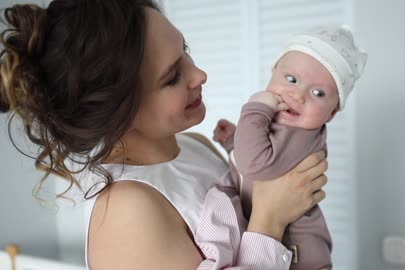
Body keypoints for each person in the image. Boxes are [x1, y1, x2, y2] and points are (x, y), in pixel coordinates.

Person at [0, 1, 329, 269]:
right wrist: (270, 220)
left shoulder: (194, 145)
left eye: (184, 49)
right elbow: (265, 216)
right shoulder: (126, 210)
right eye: (172, 76)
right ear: (118, 109)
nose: (199, 74)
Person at [213, 25, 367, 269]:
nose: (298, 95)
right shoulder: (280, 126)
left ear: (332, 113)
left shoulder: (301, 134)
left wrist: (255, 108)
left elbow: (254, 163)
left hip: (300, 255)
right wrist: (234, 141)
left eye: (318, 93)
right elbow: (257, 164)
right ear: (272, 73)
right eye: (291, 79)